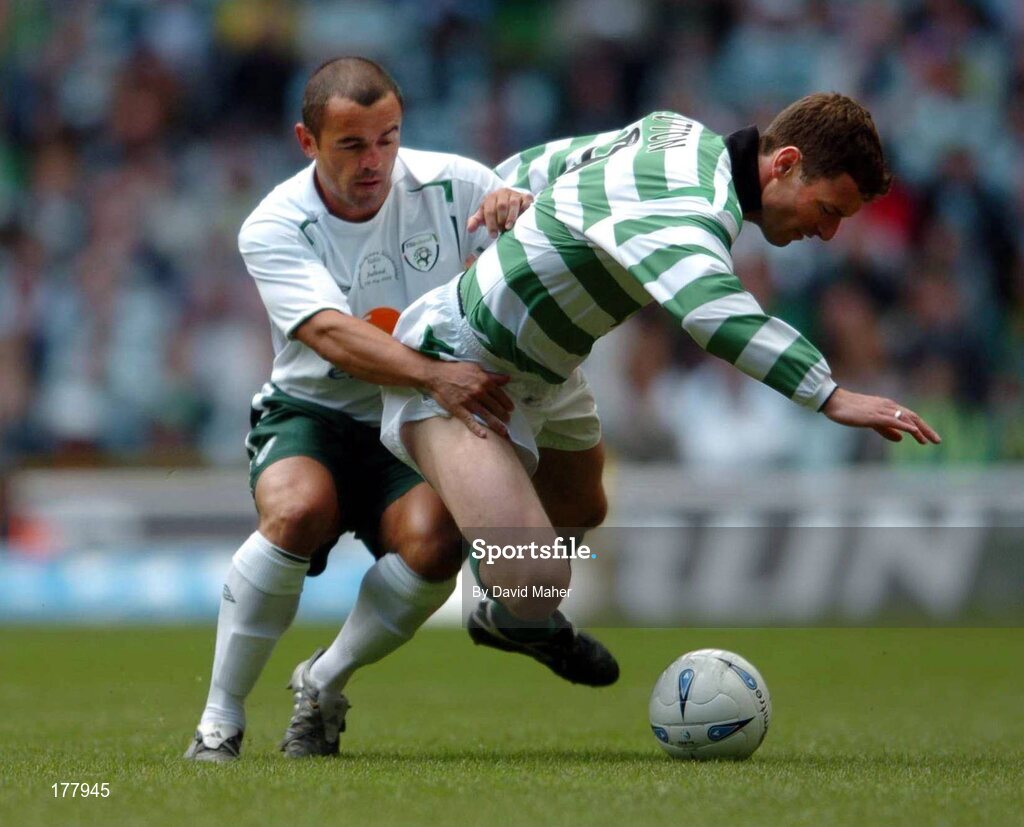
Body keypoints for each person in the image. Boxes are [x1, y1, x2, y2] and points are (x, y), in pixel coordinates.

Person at [184, 57, 614, 765]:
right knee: (295, 512)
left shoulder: (460, 183)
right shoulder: (273, 223)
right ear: (306, 141)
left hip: (413, 416)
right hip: (314, 409)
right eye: (352, 144)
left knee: (437, 543)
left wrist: (521, 221)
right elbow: (329, 333)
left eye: (387, 138)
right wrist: (435, 374)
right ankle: (218, 721)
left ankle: (323, 683)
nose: (375, 160)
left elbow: (524, 270)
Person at [381, 93, 942, 627]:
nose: (827, 232)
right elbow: (711, 312)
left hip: (549, 368)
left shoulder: (675, 131)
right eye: (826, 210)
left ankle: (460, 516)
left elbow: (563, 157)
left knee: (582, 507)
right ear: (786, 163)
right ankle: (339, 663)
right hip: (473, 351)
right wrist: (831, 394)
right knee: (534, 583)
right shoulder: (701, 205)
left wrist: (502, 186)